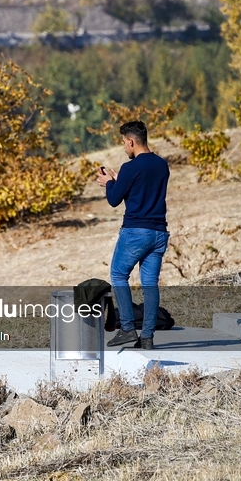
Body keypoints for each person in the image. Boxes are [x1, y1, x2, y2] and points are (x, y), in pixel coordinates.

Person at [98, 120, 170, 350]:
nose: (123, 147)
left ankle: (127, 328)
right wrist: (122, 181)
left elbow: (113, 200)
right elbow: (143, 191)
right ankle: (147, 337)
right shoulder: (162, 165)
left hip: (135, 232)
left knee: (118, 275)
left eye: (123, 143)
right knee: (150, 284)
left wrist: (109, 183)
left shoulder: (130, 168)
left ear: (131, 141)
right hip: (159, 232)